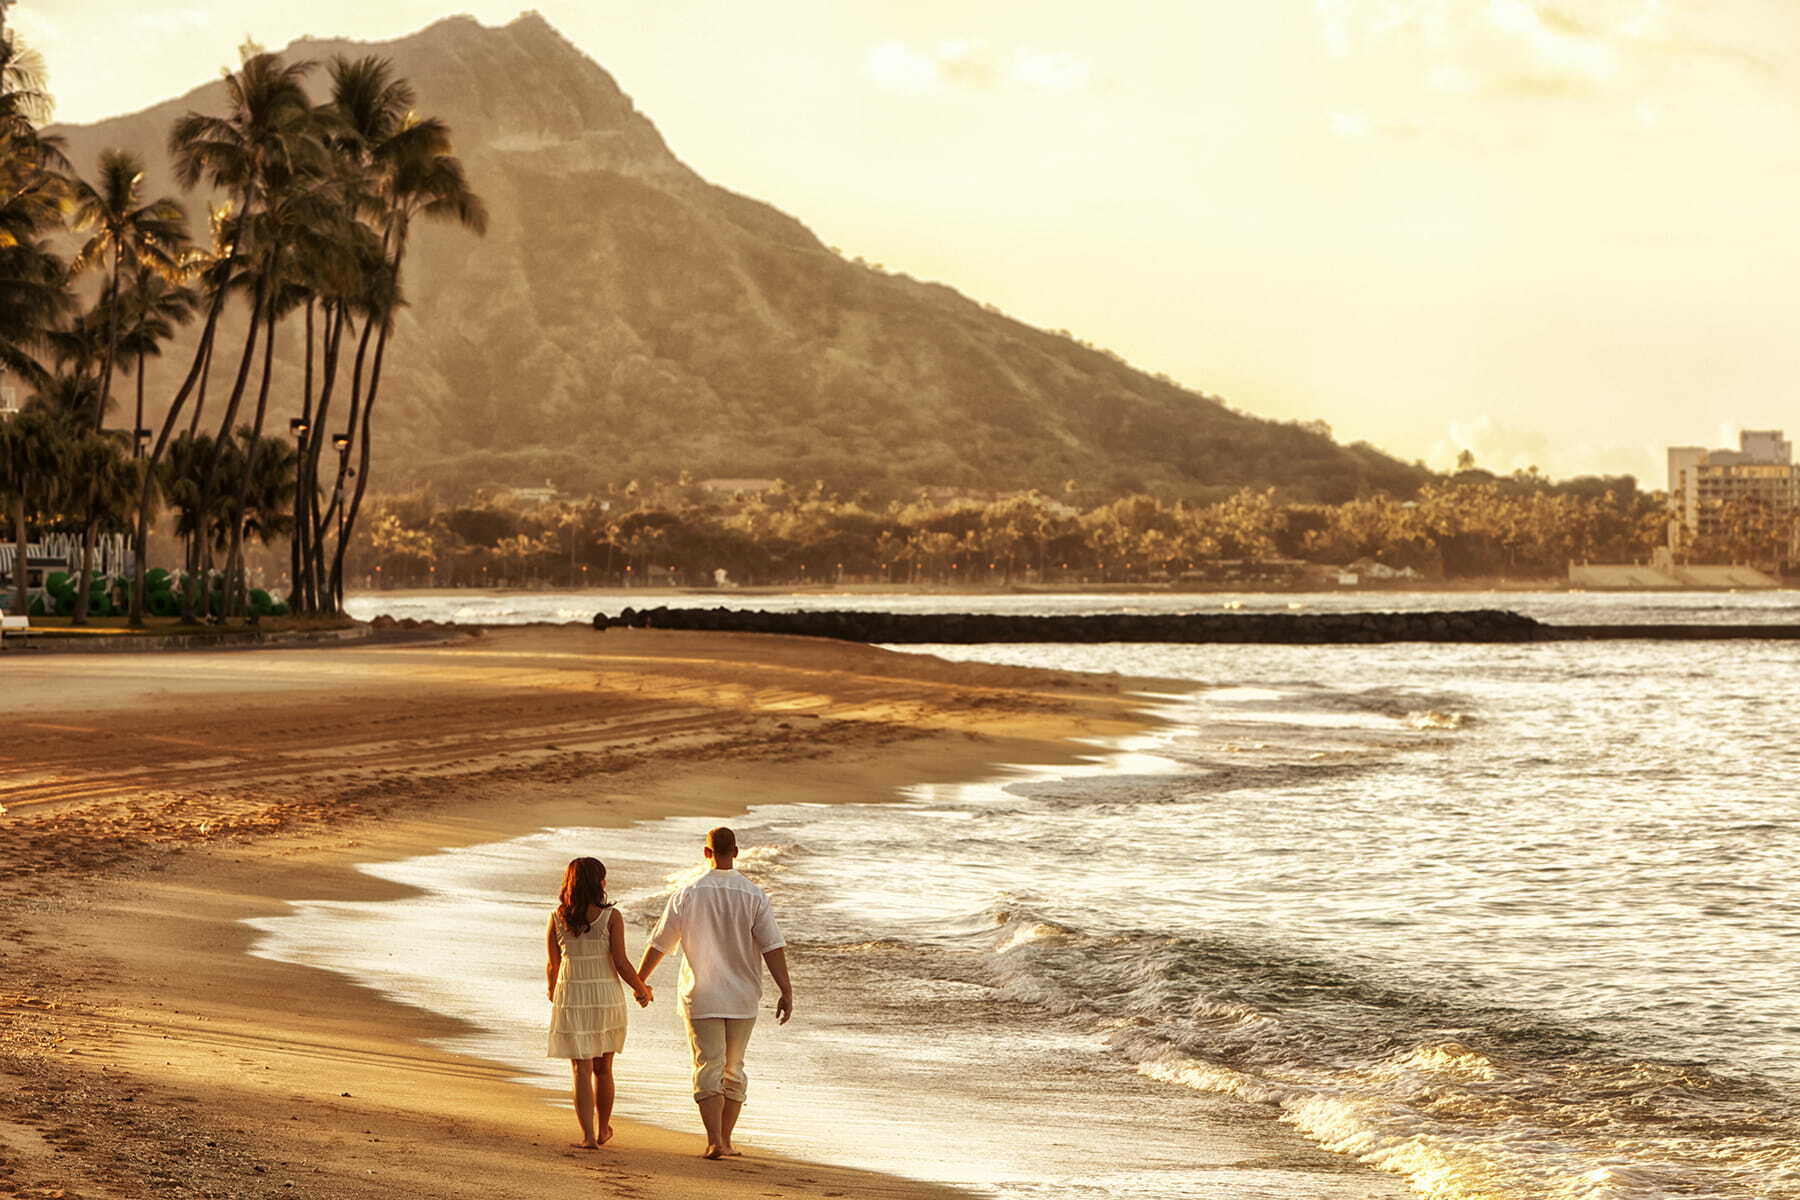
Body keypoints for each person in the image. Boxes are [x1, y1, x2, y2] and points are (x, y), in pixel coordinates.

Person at [637, 827, 793, 1160]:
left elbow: (661, 943)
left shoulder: (688, 893)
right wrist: (786, 988)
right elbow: (772, 946)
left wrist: (640, 981)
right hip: (742, 996)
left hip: (701, 995)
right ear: (735, 852)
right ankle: (726, 1139)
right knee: (733, 1068)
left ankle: (714, 1141)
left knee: (708, 1065)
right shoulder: (754, 895)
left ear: (706, 853)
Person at [546, 857, 653, 1149]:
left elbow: (553, 965)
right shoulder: (611, 917)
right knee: (603, 1068)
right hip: (605, 996)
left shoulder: (557, 916)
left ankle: (588, 1136)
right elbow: (621, 963)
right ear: (600, 883)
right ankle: (604, 1127)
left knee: (580, 1069)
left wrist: (553, 993)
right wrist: (642, 989)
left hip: (572, 994)